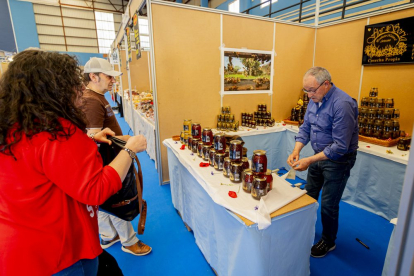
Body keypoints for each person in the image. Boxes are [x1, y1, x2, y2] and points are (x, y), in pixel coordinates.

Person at [0, 50, 147, 275]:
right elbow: (96, 189)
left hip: (22, 244)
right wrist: (130, 149)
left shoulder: (17, 128)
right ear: (53, 89)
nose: (80, 89)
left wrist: (88, 140)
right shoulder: (58, 132)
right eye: (73, 83)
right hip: (60, 250)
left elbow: (47, 164)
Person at [82, 57, 152, 256]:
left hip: (109, 158)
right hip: (108, 162)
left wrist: (122, 139)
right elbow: (92, 140)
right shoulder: (91, 101)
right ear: (93, 76)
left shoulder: (97, 96)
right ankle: (129, 241)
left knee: (104, 202)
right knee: (118, 200)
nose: (113, 80)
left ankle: (107, 235)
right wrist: (126, 143)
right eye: (108, 76)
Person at [287, 67, 358, 258]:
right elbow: (306, 128)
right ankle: (305, 229)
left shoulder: (342, 104)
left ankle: (328, 241)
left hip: (339, 160)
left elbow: (340, 146)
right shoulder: (314, 100)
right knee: (309, 194)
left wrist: (309, 160)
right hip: (318, 155)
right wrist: (297, 150)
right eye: (306, 91)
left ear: (326, 84)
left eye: (312, 90)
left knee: (328, 203)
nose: (309, 95)